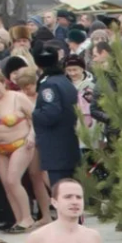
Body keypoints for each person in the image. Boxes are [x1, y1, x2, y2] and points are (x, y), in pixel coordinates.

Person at [0, 69, 38, 232]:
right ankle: (18, 218)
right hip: (1, 148)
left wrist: (32, 136)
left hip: (21, 143)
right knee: (7, 184)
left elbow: (35, 117)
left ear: (4, 83)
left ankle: (27, 217)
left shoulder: (17, 97)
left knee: (13, 180)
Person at [32, 50, 81, 185]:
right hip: (68, 143)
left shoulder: (49, 85)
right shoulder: (64, 81)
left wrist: (34, 113)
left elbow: (50, 114)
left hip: (56, 146)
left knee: (61, 187)